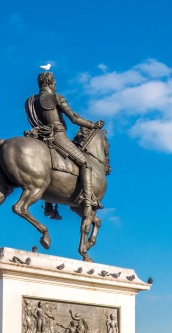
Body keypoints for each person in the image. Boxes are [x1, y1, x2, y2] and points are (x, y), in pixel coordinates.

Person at [24, 71, 105, 221]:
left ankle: (48, 206)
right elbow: (74, 118)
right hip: (58, 136)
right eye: (54, 83)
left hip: (39, 137)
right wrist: (92, 125)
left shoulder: (30, 100)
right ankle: (88, 198)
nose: (55, 85)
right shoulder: (55, 97)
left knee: (44, 168)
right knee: (85, 163)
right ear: (49, 83)